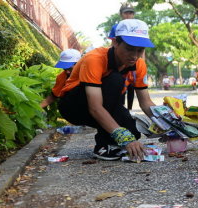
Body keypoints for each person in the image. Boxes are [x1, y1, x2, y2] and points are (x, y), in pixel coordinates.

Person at [58, 19, 156, 161]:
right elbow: (95, 107)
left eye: (140, 50)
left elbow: (146, 103)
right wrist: (122, 137)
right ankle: (103, 146)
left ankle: (112, 140)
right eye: (129, 48)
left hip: (107, 104)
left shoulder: (139, 64)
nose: (134, 56)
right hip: (74, 106)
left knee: (133, 132)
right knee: (115, 80)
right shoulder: (94, 59)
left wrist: (169, 122)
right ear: (115, 42)